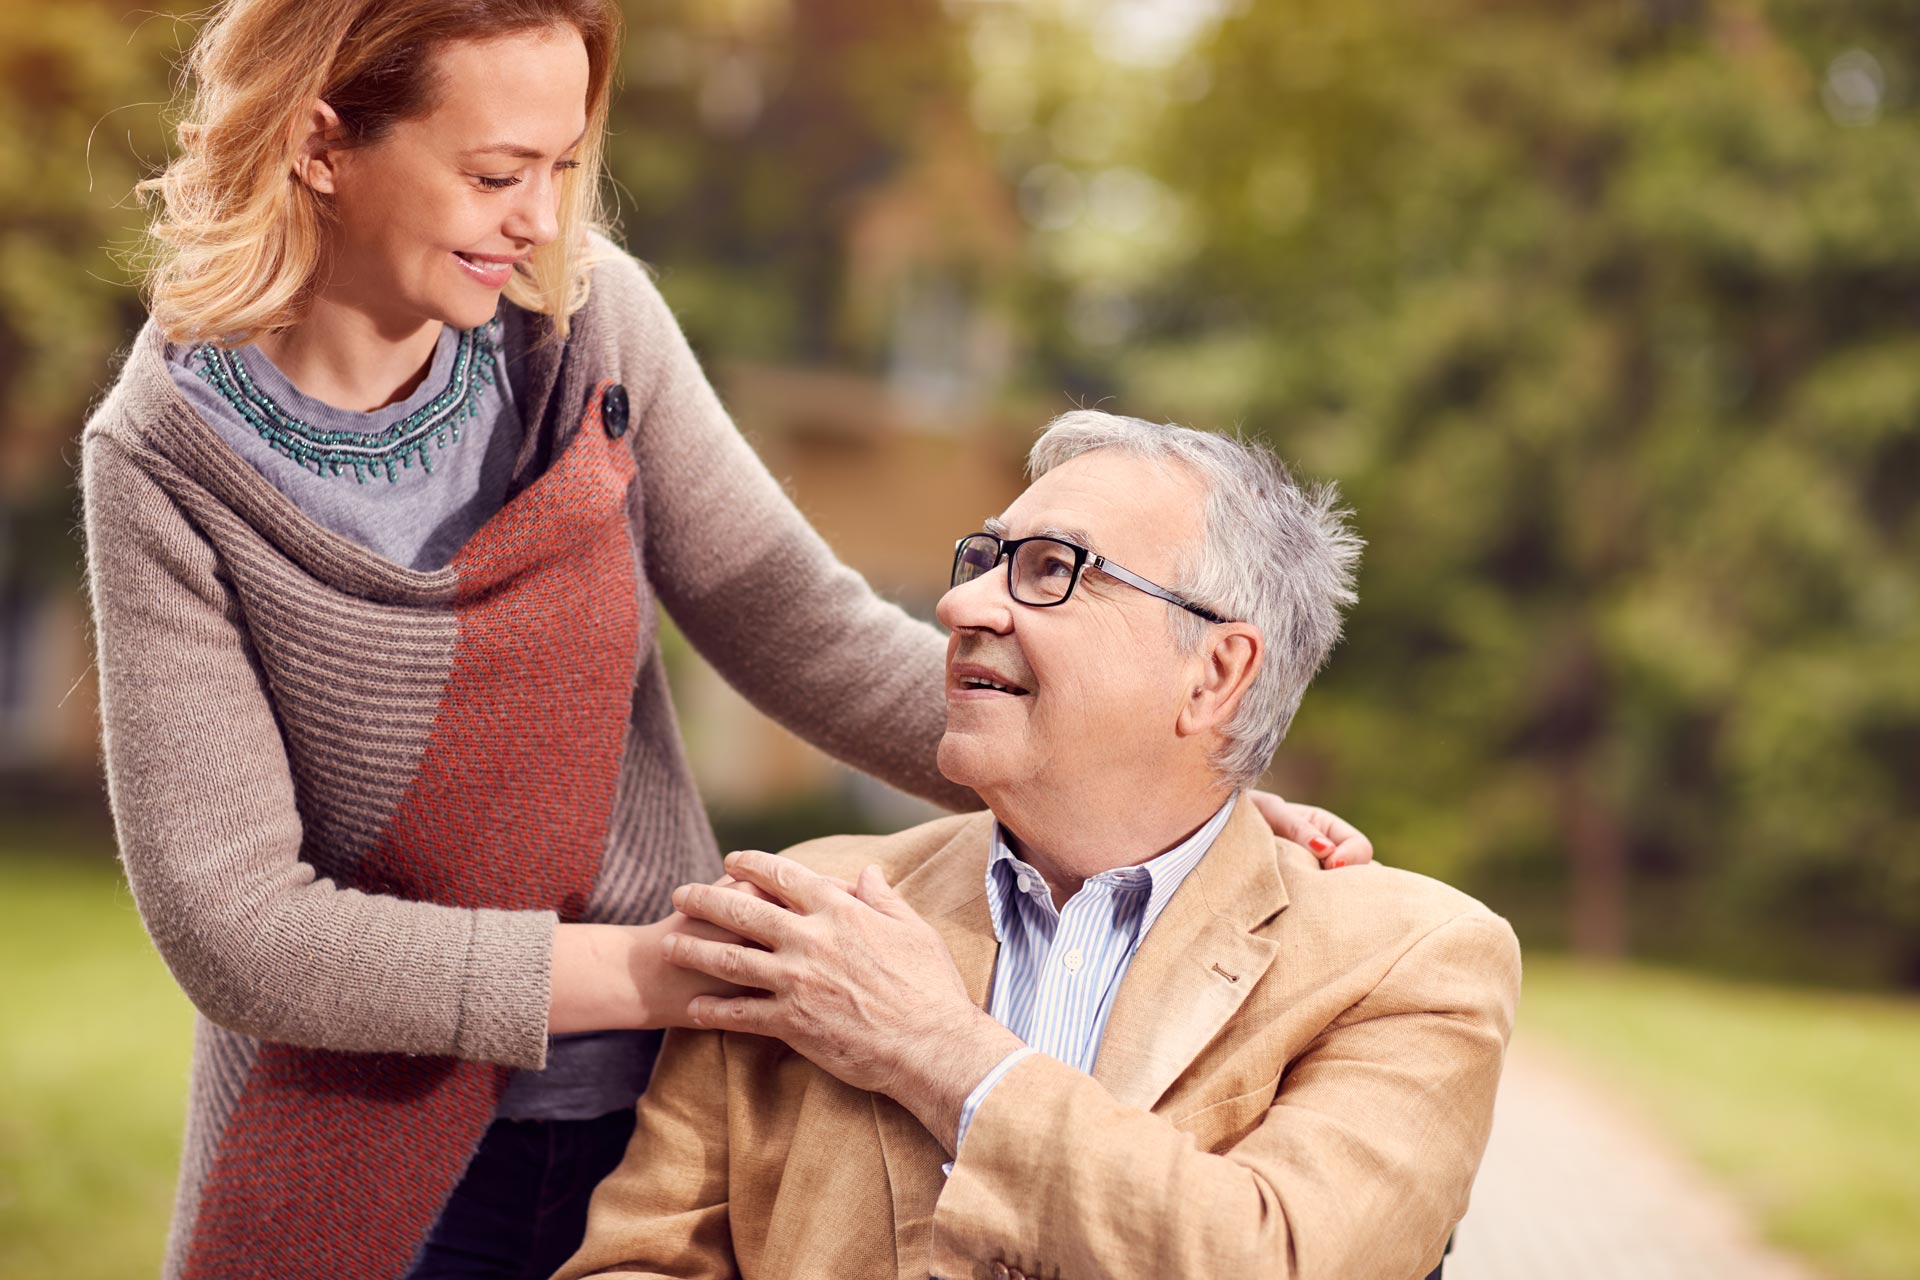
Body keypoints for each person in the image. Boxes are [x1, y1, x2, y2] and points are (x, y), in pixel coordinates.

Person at [82, 4, 1375, 1278]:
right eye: (494, 175)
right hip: (362, 1161)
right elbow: (241, 927)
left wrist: (1168, 805)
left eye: (563, 168)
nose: (539, 220)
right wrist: (663, 970)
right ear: (321, 144)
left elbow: (795, 622)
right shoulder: (163, 463)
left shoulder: (588, 325)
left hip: (656, 1129)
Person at [558, 411, 1521, 1280]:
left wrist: (938, 1049)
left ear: (1215, 674)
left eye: (1052, 569)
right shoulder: (810, 904)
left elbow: (1276, 1257)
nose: (962, 607)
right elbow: (641, 1261)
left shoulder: (1409, 959)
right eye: (982, 560)